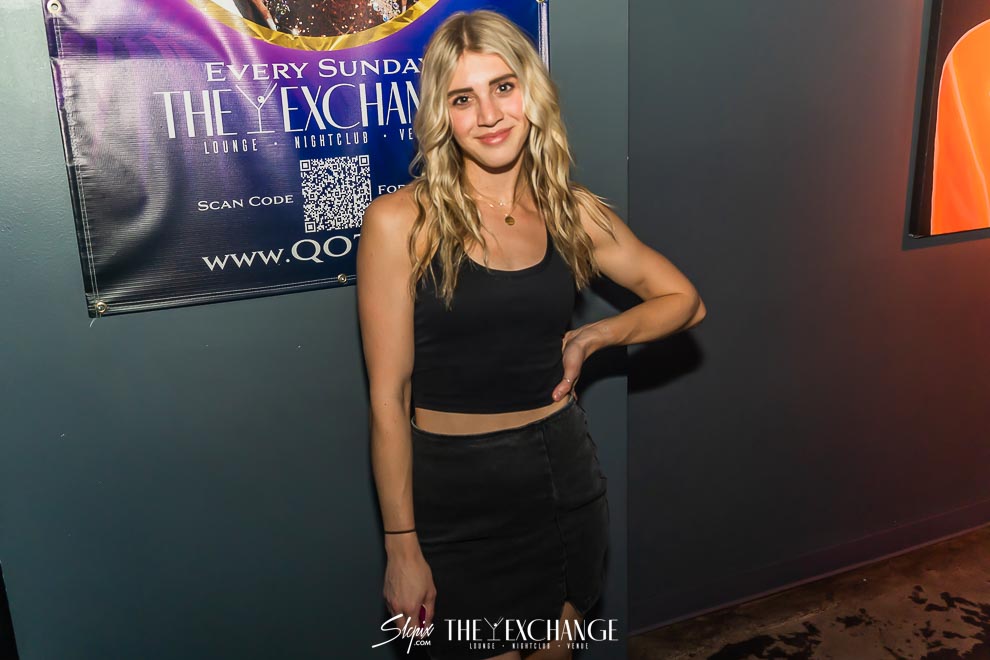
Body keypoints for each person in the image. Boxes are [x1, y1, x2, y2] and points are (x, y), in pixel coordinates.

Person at [356, 10, 706, 659]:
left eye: (503, 87)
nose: (489, 114)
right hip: (455, 497)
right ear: (441, 114)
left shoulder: (569, 210)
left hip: (561, 483)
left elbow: (686, 302)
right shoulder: (401, 222)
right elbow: (388, 397)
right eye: (463, 98)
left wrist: (596, 336)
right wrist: (401, 545)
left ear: (531, 93)